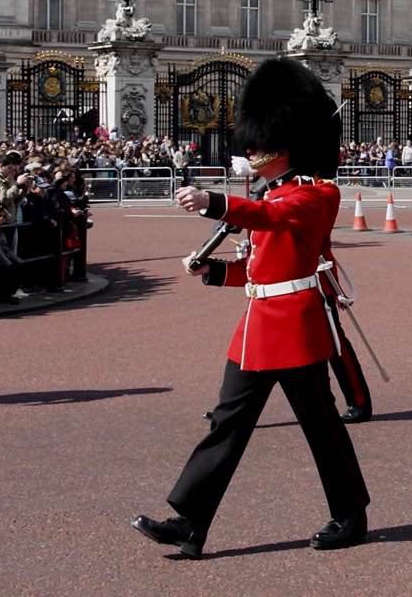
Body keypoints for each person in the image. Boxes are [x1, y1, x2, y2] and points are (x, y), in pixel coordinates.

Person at [133, 58, 370, 558]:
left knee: (321, 427)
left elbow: (270, 216)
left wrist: (213, 202)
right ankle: (190, 522)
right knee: (228, 423)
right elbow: (261, 270)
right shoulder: (276, 192)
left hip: (297, 328)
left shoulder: (315, 194)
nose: (253, 150)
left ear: (288, 144)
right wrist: (215, 272)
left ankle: (350, 514)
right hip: (257, 327)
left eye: (261, 143)